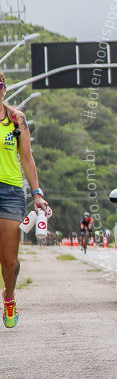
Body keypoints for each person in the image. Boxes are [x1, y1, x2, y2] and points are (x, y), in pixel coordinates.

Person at [0, 72, 50, 328]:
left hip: (9, 192)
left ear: (4, 89)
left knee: (9, 259)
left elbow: (27, 157)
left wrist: (37, 193)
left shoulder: (16, 119)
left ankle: (9, 297)